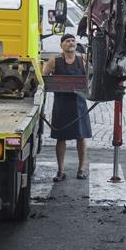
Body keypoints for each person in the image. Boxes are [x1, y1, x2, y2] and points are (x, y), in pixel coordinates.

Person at [42, 33, 91, 181]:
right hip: (61, 104)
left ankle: (82, 168)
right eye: (67, 41)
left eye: (73, 41)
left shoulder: (83, 59)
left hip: (79, 104)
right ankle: (60, 171)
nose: (71, 43)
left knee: (81, 137)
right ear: (61, 45)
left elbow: (91, 77)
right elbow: (43, 79)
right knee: (60, 138)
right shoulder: (54, 61)